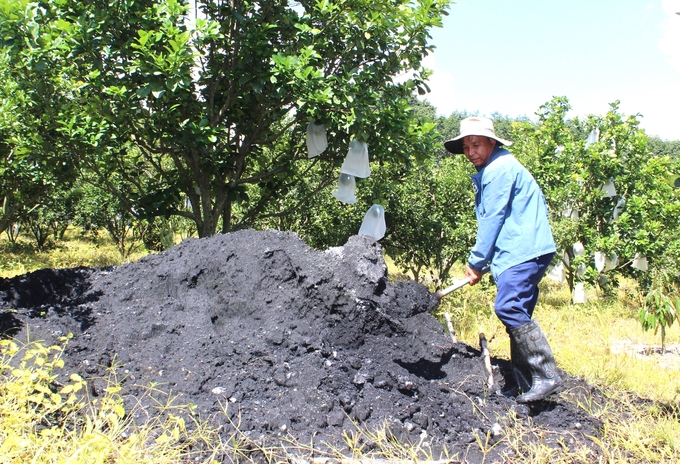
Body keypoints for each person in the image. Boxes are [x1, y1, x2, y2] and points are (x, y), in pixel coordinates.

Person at [444, 117, 560, 403]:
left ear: (492, 143)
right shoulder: (500, 166)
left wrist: (476, 262)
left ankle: (546, 375)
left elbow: (492, 219)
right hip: (526, 248)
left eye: (476, 144)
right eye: (466, 147)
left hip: (522, 249)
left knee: (507, 306)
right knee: (517, 313)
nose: (471, 152)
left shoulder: (497, 170)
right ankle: (524, 382)